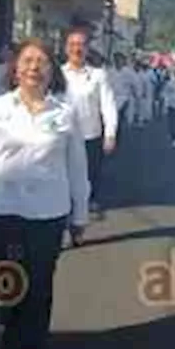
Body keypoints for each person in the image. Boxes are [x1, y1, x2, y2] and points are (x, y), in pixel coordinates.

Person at [0, 38, 89, 349]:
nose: (35, 66)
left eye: (42, 61)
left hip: (48, 214)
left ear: (52, 71)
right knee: (10, 283)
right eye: (28, 60)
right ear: (15, 69)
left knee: (40, 286)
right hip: (3, 210)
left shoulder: (64, 114)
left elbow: (77, 167)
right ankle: (11, 332)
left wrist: (80, 214)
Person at [60, 28, 118, 220]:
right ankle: (68, 216)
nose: (77, 49)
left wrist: (110, 134)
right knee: (65, 179)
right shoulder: (58, 74)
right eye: (73, 45)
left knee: (87, 180)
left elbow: (108, 105)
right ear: (66, 49)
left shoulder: (98, 75)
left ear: (87, 49)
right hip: (64, 136)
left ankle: (80, 218)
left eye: (81, 45)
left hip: (90, 135)